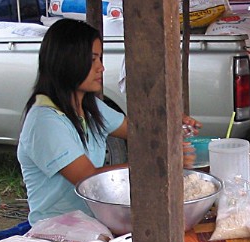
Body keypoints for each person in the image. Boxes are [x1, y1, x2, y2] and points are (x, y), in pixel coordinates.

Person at [17, 18, 200, 225]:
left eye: (100, 59)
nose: (101, 68)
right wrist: (163, 163)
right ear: (67, 61)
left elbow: (140, 132)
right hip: (59, 233)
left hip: (97, 224)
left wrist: (174, 126)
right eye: (93, 59)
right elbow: (89, 179)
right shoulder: (45, 122)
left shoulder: (88, 107)